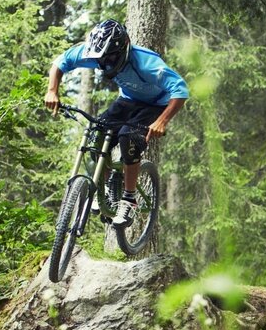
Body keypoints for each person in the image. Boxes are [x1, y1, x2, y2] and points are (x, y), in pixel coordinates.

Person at [44, 19, 189, 227]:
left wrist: (161, 121)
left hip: (156, 104)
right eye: (101, 60)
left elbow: (181, 90)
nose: (105, 64)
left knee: (128, 138)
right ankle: (106, 189)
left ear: (122, 49)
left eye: (110, 58)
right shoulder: (97, 53)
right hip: (127, 100)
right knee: (96, 133)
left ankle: (129, 199)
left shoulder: (146, 63)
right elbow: (61, 62)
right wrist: (52, 91)